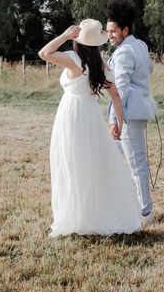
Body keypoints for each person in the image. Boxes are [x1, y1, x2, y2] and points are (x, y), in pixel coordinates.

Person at [38, 19, 142, 236]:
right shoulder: (100, 65)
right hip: (90, 115)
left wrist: (65, 36)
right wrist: (118, 123)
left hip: (71, 115)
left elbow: (44, 53)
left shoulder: (74, 59)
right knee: (92, 164)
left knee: (71, 164)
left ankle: (78, 216)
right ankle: (89, 214)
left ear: (79, 40)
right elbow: (116, 96)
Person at [105, 0, 158, 225]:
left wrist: (114, 121)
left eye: (113, 31)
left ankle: (145, 213)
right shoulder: (140, 45)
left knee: (137, 164)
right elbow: (150, 68)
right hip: (138, 110)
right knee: (118, 160)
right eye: (107, 31)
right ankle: (123, 204)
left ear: (125, 30)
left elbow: (121, 91)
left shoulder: (124, 52)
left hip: (128, 115)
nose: (109, 35)